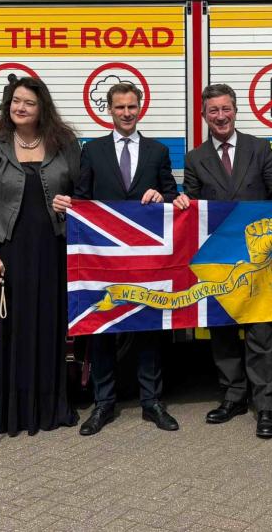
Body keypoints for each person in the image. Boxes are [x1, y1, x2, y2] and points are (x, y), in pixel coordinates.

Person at [181, 83, 272, 440]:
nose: (220, 116)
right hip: (220, 260)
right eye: (213, 111)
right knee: (222, 333)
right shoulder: (195, 158)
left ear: (235, 110)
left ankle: (266, 406)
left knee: (263, 333)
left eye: (226, 109)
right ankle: (233, 396)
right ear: (204, 116)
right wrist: (182, 204)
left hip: (259, 260)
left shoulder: (258, 148)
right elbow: (191, 199)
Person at [61, 81, 184, 436]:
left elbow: (173, 197)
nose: (126, 113)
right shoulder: (93, 151)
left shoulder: (158, 151)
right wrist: (69, 206)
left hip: (146, 259)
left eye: (132, 107)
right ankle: (103, 405)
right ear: (109, 110)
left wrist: (161, 195)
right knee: (102, 332)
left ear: (140, 108)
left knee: (148, 329)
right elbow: (83, 198)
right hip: (106, 260)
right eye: (120, 107)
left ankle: (152, 403)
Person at [0, 77, 79, 437]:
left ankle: (47, 407)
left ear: (42, 107)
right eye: (15, 101)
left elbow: (85, 192)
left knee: (48, 328)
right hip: (6, 253)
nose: (20, 108)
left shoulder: (65, 144)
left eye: (29, 103)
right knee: (8, 332)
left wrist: (72, 204)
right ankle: (9, 411)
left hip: (52, 251)